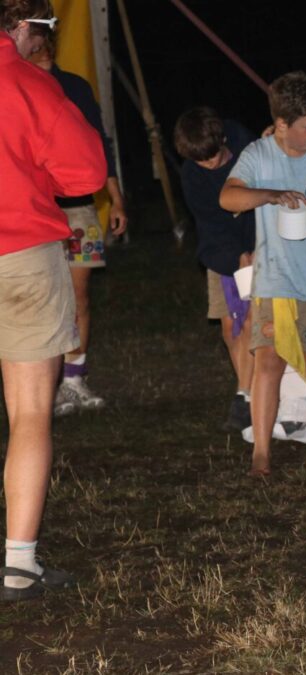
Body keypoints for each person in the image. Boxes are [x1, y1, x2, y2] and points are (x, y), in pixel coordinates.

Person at [1, 0, 106, 601]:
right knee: (30, 413)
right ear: (20, 25)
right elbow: (85, 174)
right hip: (19, 256)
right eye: (43, 29)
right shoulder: (30, 85)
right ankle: (18, 565)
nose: (43, 40)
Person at [219, 71, 306, 476]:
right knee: (268, 362)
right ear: (281, 124)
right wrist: (271, 196)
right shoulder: (258, 155)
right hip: (274, 279)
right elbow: (228, 197)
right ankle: (260, 454)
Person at [26, 24, 127, 416]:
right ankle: (43, 385)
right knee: (43, 297)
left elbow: (100, 144)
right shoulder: (19, 87)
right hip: (36, 209)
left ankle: (74, 380)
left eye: (48, 40)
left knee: (78, 295)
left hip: (79, 209)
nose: (45, 48)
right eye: (38, 42)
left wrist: (116, 200)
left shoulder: (75, 87)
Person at [174, 106, 257, 430]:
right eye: (201, 160)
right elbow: (210, 223)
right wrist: (236, 256)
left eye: (213, 157)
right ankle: (250, 394)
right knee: (230, 325)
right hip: (220, 253)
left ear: (223, 140)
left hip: (260, 246)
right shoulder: (192, 175)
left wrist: (255, 248)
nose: (209, 164)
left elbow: (262, 199)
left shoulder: (246, 145)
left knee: (253, 321)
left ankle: (246, 397)